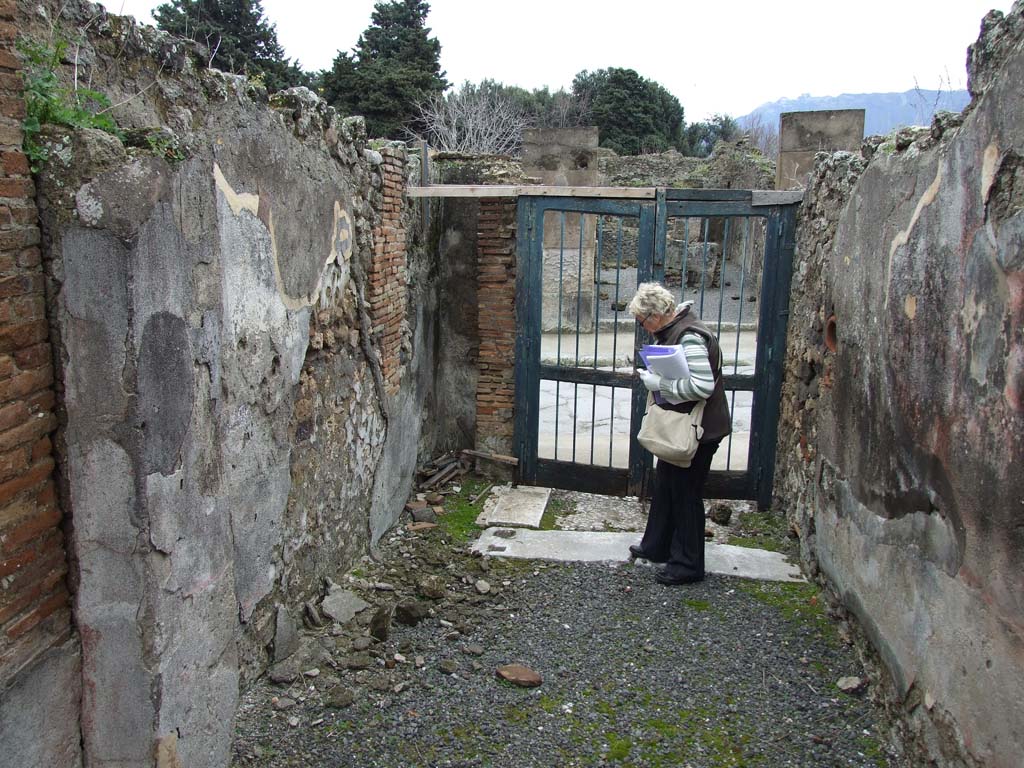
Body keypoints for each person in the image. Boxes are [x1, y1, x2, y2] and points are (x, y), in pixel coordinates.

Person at [626, 282, 732, 585]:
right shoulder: (677, 329)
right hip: (684, 426)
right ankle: (657, 546)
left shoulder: (689, 337)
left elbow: (703, 387)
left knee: (686, 493)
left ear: (656, 315)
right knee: (666, 484)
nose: (644, 328)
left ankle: (688, 565)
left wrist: (660, 384)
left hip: (700, 430)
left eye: (642, 322)